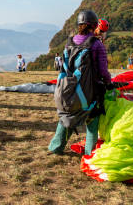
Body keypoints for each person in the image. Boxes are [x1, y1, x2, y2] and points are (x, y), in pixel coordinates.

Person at [49, 10, 112, 156]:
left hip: (66, 89)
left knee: (67, 116)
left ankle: (56, 147)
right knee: (92, 119)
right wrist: (109, 83)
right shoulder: (96, 44)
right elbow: (103, 71)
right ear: (94, 26)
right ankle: (90, 154)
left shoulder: (69, 42)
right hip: (88, 92)